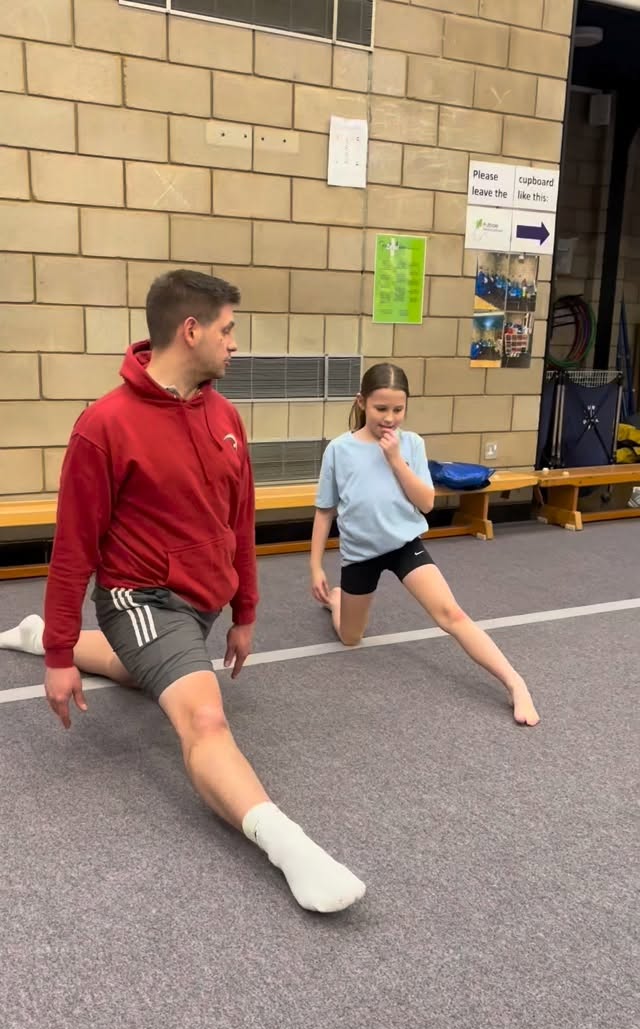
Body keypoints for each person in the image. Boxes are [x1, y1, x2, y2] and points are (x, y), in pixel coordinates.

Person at [0, 269, 365, 914]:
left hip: (199, 601)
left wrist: (245, 611)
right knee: (203, 716)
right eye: (228, 330)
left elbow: (239, 519)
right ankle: (292, 850)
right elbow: (73, 552)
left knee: (149, 674)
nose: (235, 345)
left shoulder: (224, 416)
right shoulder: (103, 427)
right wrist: (59, 657)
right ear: (189, 330)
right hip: (139, 598)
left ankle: (31, 633)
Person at [309, 362, 540, 727]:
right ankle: (339, 599)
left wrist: (395, 458)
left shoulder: (411, 444)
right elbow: (325, 512)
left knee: (452, 614)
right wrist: (315, 566)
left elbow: (427, 503)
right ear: (361, 403)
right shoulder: (339, 450)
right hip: (359, 555)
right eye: (380, 409)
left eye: (397, 410)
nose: (389, 418)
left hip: (404, 546)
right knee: (351, 638)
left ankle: (514, 682)